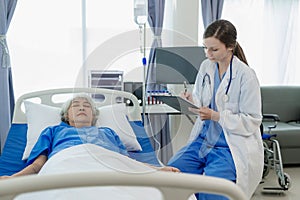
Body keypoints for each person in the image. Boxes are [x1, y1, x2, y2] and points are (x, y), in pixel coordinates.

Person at [167, 19, 263, 200]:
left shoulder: (246, 76)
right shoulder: (206, 67)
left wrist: (217, 116)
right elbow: (201, 99)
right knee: (170, 175)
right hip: (203, 141)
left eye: (214, 49)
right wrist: (190, 100)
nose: (208, 54)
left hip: (229, 146)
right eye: (205, 48)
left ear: (230, 47)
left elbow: (252, 120)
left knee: (211, 192)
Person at [0, 94, 179, 179]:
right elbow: (39, 165)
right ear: (66, 115)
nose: (82, 108)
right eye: (75, 106)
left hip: (107, 165)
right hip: (65, 164)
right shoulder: (53, 131)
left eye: (87, 106)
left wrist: (157, 169)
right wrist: (13, 178)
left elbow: (126, 162)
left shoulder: (108, 132)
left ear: (94, 115)